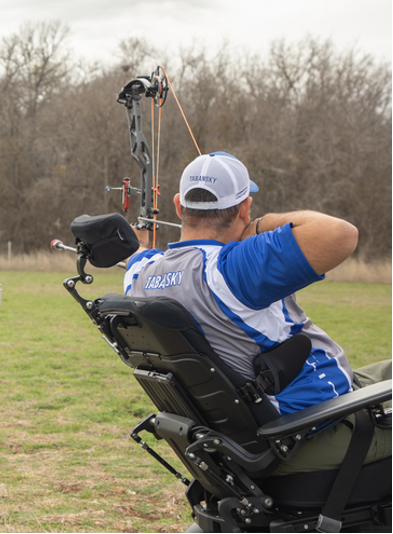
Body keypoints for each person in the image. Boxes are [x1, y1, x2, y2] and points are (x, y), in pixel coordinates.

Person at [122, 151, 391, 475]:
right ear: (245, 208)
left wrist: (128, 240)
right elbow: (342, 234)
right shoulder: (232, 269)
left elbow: (136, 254)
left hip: (247, 436)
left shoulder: (140, 278)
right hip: (312, 425)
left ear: (179, 206)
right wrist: (261, 225)